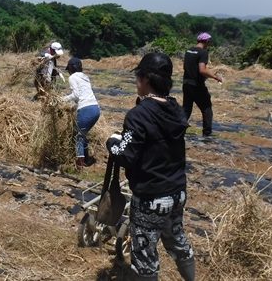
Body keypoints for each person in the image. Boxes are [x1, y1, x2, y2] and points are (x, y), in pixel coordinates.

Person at [106, 53, 195, 281]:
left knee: (145, 257)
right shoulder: (176, 109)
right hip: (177, 191)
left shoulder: (138, 115)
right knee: (177, 239)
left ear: (145, 79)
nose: (137, 81)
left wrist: (112, 142)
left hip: (151, 197)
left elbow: (125, 154)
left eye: (138, 76)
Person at [182, 32, 223, 136]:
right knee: (206, 108)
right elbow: (202, 70)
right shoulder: (203, 53)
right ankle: (207, 134)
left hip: (186, 83)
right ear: (207, 41)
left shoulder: (189, 50)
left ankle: (178, 131)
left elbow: (186, 67)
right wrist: (215, 77)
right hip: (197, 85)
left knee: (186, 109)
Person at [62, 57, 100, 168]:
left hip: (86, 110)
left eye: (68, 69)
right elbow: (83, 95)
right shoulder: (85, 77)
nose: (68, 72)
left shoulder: (73, 77)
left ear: (70, 68)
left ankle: (80, 163)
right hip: (95, 109)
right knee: (82, 134)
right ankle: (86, 159)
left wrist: (61, 99)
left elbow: (76, 95)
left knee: (78, 136)